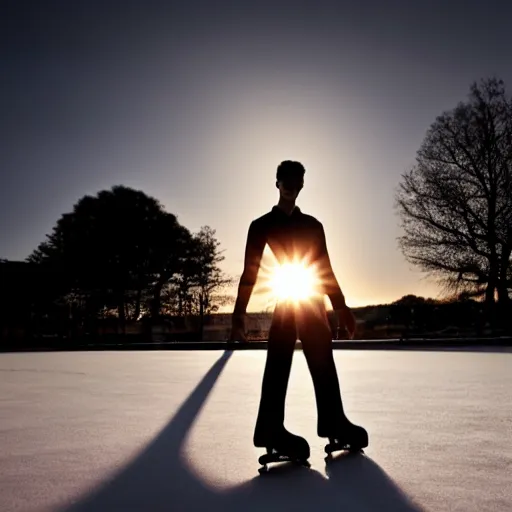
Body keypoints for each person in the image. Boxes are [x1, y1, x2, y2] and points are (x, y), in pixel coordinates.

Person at [230, 160, 368, 459]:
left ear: (302, 185)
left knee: (321, 356)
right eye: (286, 181)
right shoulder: (262, 225)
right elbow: (249, 274)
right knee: (279, 361)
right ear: (277, 183)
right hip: (288, 299)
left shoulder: (313, 226)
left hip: (310, 299)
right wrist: (238, 317)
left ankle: (332, 419)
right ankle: (270, 426)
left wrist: (341, 307)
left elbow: (325, 269)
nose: (292, 187)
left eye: (297, 182)